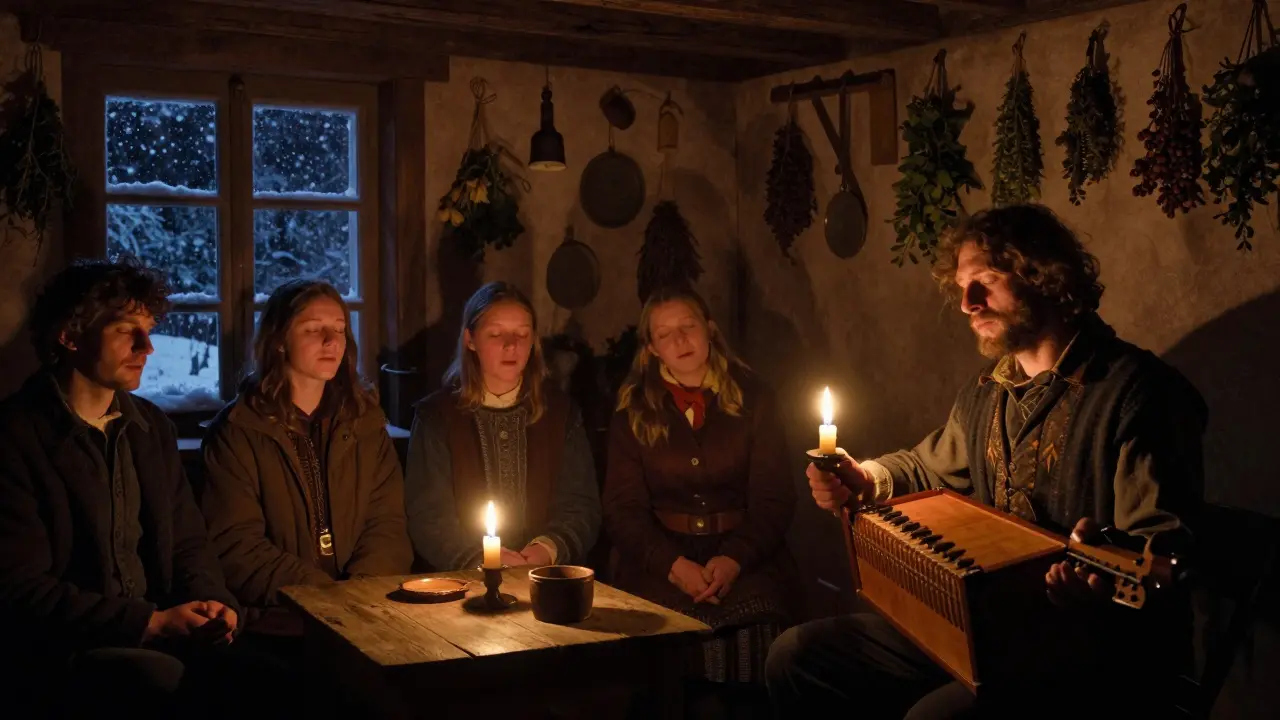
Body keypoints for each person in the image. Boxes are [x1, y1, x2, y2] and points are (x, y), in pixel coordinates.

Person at [765, 204, 1206, 719]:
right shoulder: (987, 391)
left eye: (987, 281)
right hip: (987, 631)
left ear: (1042, 274)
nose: (968, 304)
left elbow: (1157, 551)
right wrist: (866, 478)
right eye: (963, 287)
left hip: (1091, 656)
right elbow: (928, 466)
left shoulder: (1138, 394)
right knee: (797, 658)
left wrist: (1092, 588)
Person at [0, 257, 286, 719]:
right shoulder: (18, 435)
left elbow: (190, 543)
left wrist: (214, 604)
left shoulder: (150, 427)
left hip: (164, 628)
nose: (146, 346)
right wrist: (147, 623)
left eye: (149, 328)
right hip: (69, 650)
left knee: (284, 682)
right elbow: (20, 588)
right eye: (124, 330)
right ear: (69, 336)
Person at [604, 285, 798, 693]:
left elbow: (774, 497)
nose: (680, 340)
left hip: (744, 555)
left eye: (688, 326)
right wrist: (673, 566)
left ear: (709, 329)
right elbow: (623, 509)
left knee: (753, 640)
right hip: (660, 559)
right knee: (663, 653)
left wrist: (734, 559)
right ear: (652, 348)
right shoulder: (633, 410)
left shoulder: (754, 398)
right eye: (665, 334)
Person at [201, 280, 412, 641]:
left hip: (366, 612)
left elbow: (387, 524)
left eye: (340, 330)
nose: (332, 341)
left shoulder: (364, 423)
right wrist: (325, 596)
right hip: (279, 619)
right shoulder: (239, 431)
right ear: (280, 339)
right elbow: (236, 545)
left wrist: (359, 592)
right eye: (314, 329)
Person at [405, 282, 600, 571]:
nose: (511, 345)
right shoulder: (437, 417)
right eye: (496, 334)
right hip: (463, 584)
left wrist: (546, 549)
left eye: (522, 333)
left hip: (544, 579)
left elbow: (581, 504)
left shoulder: (560, 413)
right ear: (471, 339)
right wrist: (480, 557)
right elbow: (428, 515)